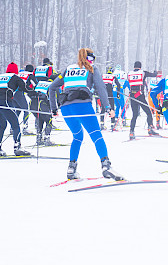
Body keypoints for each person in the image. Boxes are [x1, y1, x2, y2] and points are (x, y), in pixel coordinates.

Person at [48, 48, 123, 181]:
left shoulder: (68, 69)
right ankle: (106, 165)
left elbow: (52, 87)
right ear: (90, 58)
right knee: (96, 135)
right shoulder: (92, 69)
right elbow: (101, 88)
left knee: (77, 136)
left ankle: (71, 169)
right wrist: (108, 107)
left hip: (66, 108)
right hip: (82, 106)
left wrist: (54, 109)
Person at [0, 62, 30, 157]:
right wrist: (36, 93)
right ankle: (17, 148)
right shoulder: (15, 77)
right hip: (5, 102)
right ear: (15, 70)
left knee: (2, 125)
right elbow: (25, 88)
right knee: (15, 125)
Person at [126, 61, 159, 139]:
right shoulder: (143, 73)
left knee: (134, 115)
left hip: (132, 96)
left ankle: (131, 132)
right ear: (140, 67)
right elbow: (154, 75)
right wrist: (155, 71)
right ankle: (150, 128)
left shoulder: (129, 73)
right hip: (140, 95)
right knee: (148, 112)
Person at [29, 79, 55, 146]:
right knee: (48, 120)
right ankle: (47, 139)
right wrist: (53, 109)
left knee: (39, 119)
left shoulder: (38, 83)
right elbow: (52, 98)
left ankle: (39, 138)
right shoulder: (52, 85)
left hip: (32, 104)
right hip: (42, 103)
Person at [13, 64, 37, 135]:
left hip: (13, 93)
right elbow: (36, 84)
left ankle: (13, 128)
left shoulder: (19, 73)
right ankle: (25, 128)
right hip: (19, 93)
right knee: (26, 110)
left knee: (18, 110)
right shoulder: (30, 75)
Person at [101, 66, 120, 131]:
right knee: (112, 109)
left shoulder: (102, 76)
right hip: (110, 94)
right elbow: (118, 84)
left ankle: (102, 124)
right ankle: (112, 124)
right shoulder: (113, 76)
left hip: (103, 94)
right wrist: (118, 94)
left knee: (103, 109)